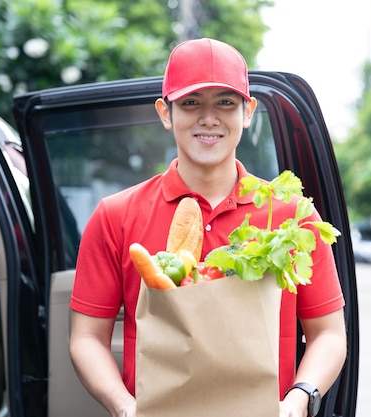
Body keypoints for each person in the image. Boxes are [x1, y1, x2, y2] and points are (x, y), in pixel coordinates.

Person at [69, 38, 347, 417]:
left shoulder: (291, 218)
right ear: (165, 113)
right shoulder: (115, 215)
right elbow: (87, 339)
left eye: (225, 102)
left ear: (248, 111)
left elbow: (329, 334)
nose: (209, 117)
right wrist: (124, 407)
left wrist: (298, 402)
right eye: (191, 103)